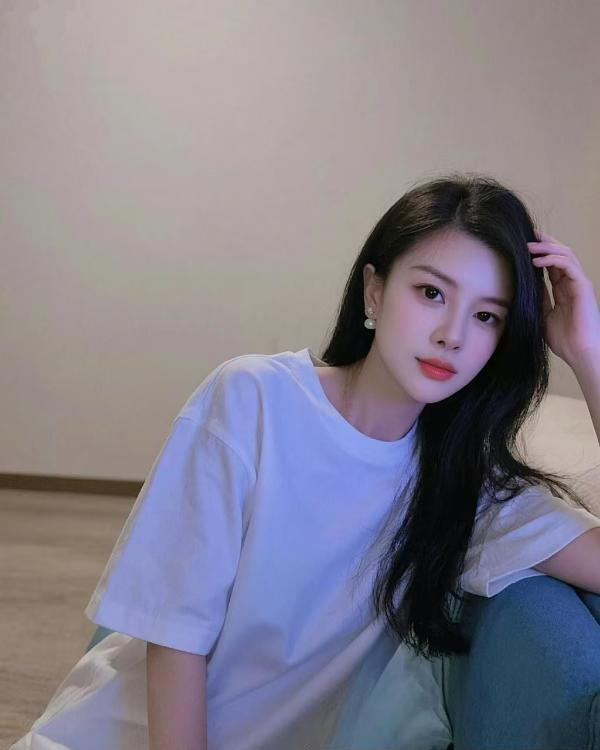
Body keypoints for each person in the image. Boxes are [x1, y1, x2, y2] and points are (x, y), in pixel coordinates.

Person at [11, 173, 600, 750]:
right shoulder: (252, 399)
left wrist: (587, 352)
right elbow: (176, 635)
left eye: (486, 316)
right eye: (431, 293)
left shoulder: (466, 490)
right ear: (374, 291)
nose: (453, 335)